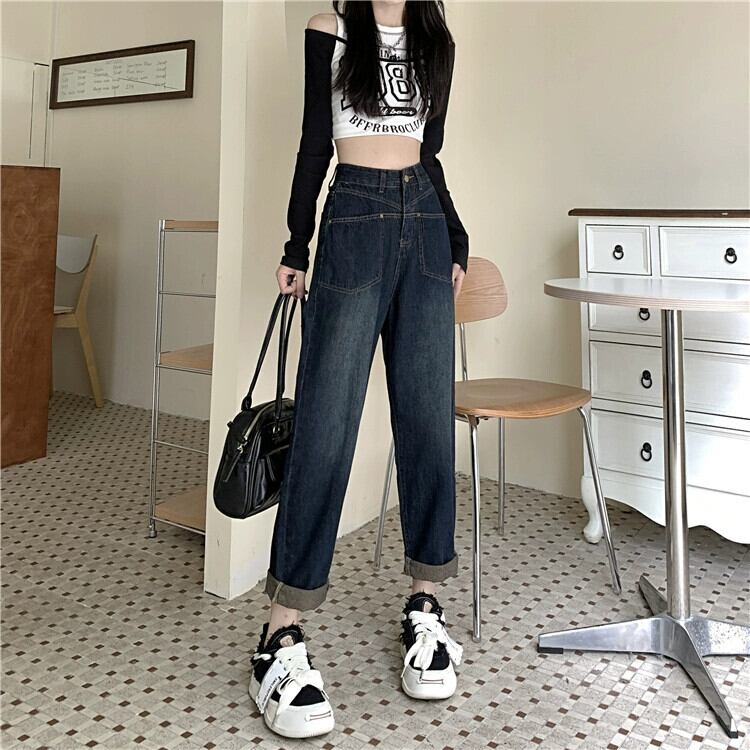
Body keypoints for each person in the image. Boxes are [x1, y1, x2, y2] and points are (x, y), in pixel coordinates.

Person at [248, 0, 469, 738]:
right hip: (353, 216)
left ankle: (426, 606)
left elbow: (428, 152)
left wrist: (455, 234)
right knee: (326, 426)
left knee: (427, 422)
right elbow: (316, 140)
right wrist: (296, 242)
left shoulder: (437, 39)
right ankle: (279, 634)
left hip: (425, 224)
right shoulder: (332, 28)